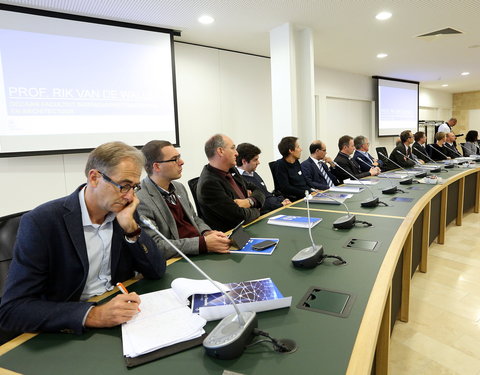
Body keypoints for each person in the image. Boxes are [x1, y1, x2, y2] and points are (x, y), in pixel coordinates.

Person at [0, 142, 166, 334]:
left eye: (134, 187)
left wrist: (131, 229)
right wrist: (93, 315)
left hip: (120, 312)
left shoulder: (124, 212)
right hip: (71, 324)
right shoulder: (42, 223)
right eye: (124, 186)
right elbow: (12, 310)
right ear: (94, 177)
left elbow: (156, 270)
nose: (130, 197)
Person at [137, 140, 230, 259]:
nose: (181, 162)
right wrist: (203, 243)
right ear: (157, 166)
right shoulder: (140, 199)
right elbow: (157, 246)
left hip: (200, 251)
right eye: (174, 159)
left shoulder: (179, 187)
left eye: (179, 157)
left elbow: (194, 218)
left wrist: (207, 233)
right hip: (180, 259)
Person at [196, 134, 265, 231]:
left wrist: (249, 201)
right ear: (220, 151)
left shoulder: (232, 170)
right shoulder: (209, 184)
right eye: (233, 148)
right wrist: (257, 208)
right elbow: (241, 217)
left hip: (250, 226)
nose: (237, 153)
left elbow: (258, 189)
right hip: (233, 236)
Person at [236, 143, 291, 215]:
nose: (258, 162)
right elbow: (257, 203)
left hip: (274, 208)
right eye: (255, 160)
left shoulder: (254, 174)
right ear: (244, 162)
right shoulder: (238, 180)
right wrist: (279, 205)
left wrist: (281, 199)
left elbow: (266, 194)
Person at [274, 136, 314, 201]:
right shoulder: (280, 165)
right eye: (298, 147)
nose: (301, 149)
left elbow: (303, 181)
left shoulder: (296, 162)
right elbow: (286, 188)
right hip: (295, 199)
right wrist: (306, 192)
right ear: (291, 151)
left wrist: (313, 189)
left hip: (307, 196)